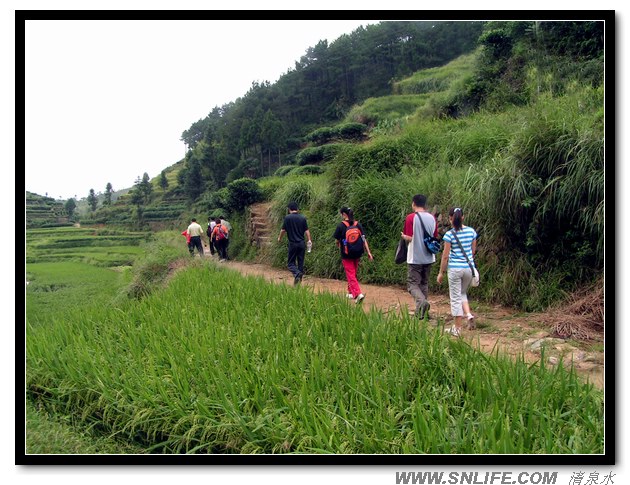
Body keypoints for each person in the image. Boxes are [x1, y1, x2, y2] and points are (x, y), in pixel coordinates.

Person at [436, 207, 478, 337]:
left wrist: (441, 272)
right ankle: (468, 314)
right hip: (468, 268)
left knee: (455, 298)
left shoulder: (449, 235)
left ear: (450, 219)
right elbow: (473, 251)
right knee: (461, 293)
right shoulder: (471, 232)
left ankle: (457, 329)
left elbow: (445, 256)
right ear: (463, 217)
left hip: (455, 269)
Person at [400, 194, 439, 320]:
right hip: (428, 256)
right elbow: (434, 236)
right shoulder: (432, 218)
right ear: (425, 204)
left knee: (412, 284)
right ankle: (421, 313)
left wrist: (403, 237)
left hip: (415, 257)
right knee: (424, 283)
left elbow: (410, 237)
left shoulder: (411, 217)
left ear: (413, 203)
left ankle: (422, 302)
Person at [333, 207, 373, 304]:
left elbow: (337, 241)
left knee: (350, 274)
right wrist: (368, 252)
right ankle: (350, 292)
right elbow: (364, 239)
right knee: (353, 272)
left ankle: (358, 294)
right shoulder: (357, 224)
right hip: (358, 252)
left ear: (344, 214)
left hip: (346, 254)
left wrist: (339, 244)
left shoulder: (341, 226)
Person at [278, 202, 312, 285]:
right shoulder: (303, 218)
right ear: (297, 209)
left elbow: (283, 230)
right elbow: (306, 231)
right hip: (301, 244)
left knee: (290, 264)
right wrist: (309, 240)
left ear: (289, 209)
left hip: (293, 243)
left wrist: (279, 238)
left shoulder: (287, 218)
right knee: (300, 262)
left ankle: (297, 274)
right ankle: (297, 283)